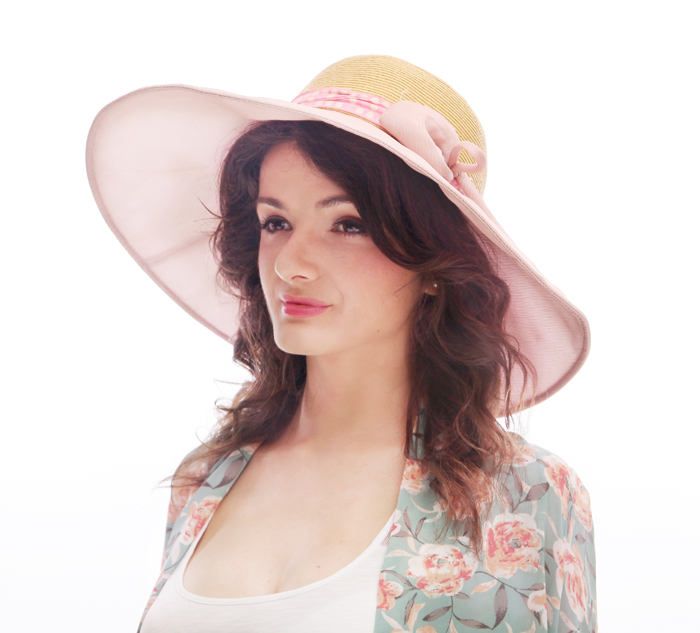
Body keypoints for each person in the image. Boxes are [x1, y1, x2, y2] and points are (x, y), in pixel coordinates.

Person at [87, 55, 597, 632]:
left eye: (348, 225)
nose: (291, 264)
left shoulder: (527, 492)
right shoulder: (206, 478)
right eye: (276, 222)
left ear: (434, 263)